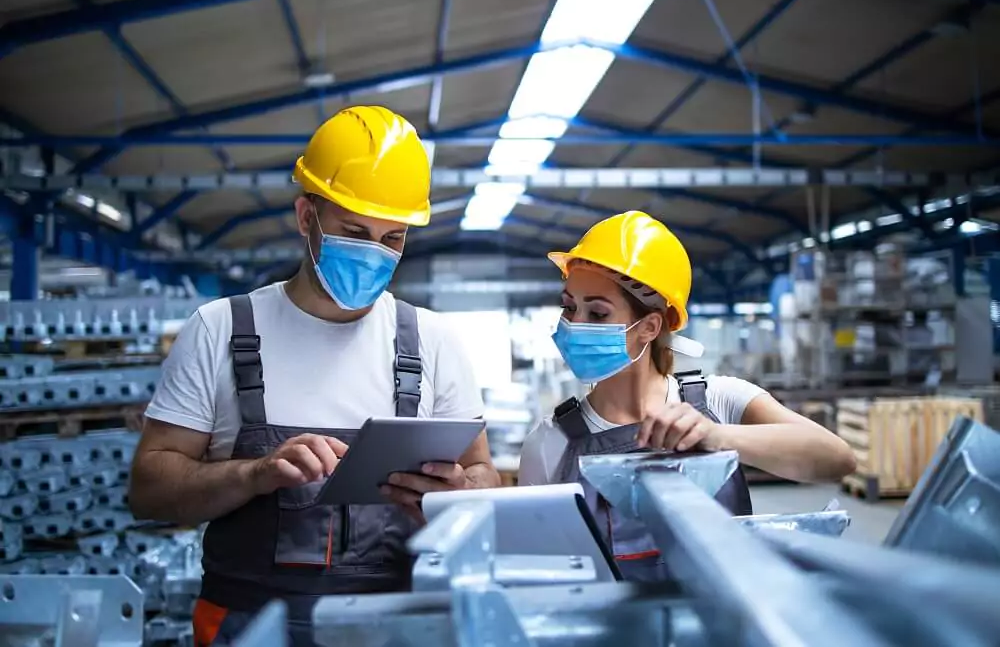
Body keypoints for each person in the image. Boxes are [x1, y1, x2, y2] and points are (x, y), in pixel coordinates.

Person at [127, 105, 500, 646]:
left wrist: (455, 495)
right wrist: (253, 475)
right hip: (249, 626)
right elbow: (149, 490)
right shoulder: (220, 329)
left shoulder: (433, 342)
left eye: (392, 238)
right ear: (306, 217)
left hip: (397, 626)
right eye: (355, 231)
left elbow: (483, 475)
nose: (374, 254)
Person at [518, 210, 856, 580]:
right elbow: (540, 574)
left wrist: (717, 437)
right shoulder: (549, 443)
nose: (574, 325)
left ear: (649, 327)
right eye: (569, 307)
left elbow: (836, 459)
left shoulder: (719, 401)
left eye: (597, 313)